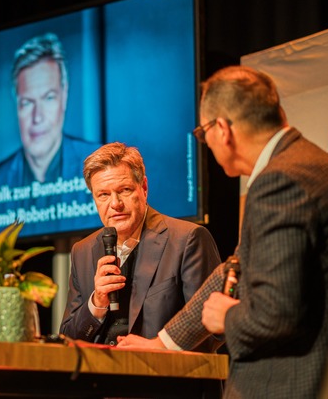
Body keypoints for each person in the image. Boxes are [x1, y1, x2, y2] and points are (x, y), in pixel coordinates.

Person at [116, 66, 328, 398]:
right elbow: (235, 269)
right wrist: (163, 342)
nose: (207, 144)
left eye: (202, 133)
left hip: (312, 381)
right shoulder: (302, 163)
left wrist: (227, 317)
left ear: (223, 129)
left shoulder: (281, 179)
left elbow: (279, 315)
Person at [59, 142, 222, 350]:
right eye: (104, 195)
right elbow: (67, 340)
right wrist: (96, 303)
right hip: (100, 379)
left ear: (143, 188)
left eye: (124, 190)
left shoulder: (187, 239)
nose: (115, 204)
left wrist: (160, 348)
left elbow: (212, 328)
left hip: (162, 377)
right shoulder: (82, 251)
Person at [0, 32, 101, 236]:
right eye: (27, 103)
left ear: (65, 95)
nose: (37, 117)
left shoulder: (100, 165)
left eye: (48, 98)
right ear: (16, 105)